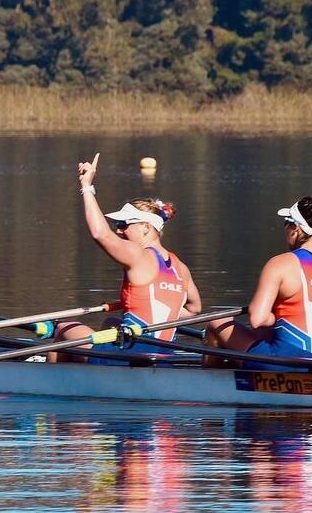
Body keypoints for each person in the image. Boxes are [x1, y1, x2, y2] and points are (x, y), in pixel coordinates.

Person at [50, 153, 201, 364]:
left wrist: (87, 186)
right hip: (164, 357)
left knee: (63, 329)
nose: (119, 231)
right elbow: (195, 310)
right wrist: (155, 303)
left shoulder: (139, 255)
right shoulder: (180, 267)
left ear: (146, 229)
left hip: (131, 356)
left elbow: (100, 234)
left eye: (124, 225)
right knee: (112, 321)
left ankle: (56, 383)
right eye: (117, 226)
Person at [205, 196, 312, 368]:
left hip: (283, 363)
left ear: (296, 229)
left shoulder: (281, 264)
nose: (285, 229)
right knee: (266, 332)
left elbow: (257, 319)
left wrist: (281, 313)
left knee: (216, 324)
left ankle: (211, 384)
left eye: (286, 223)